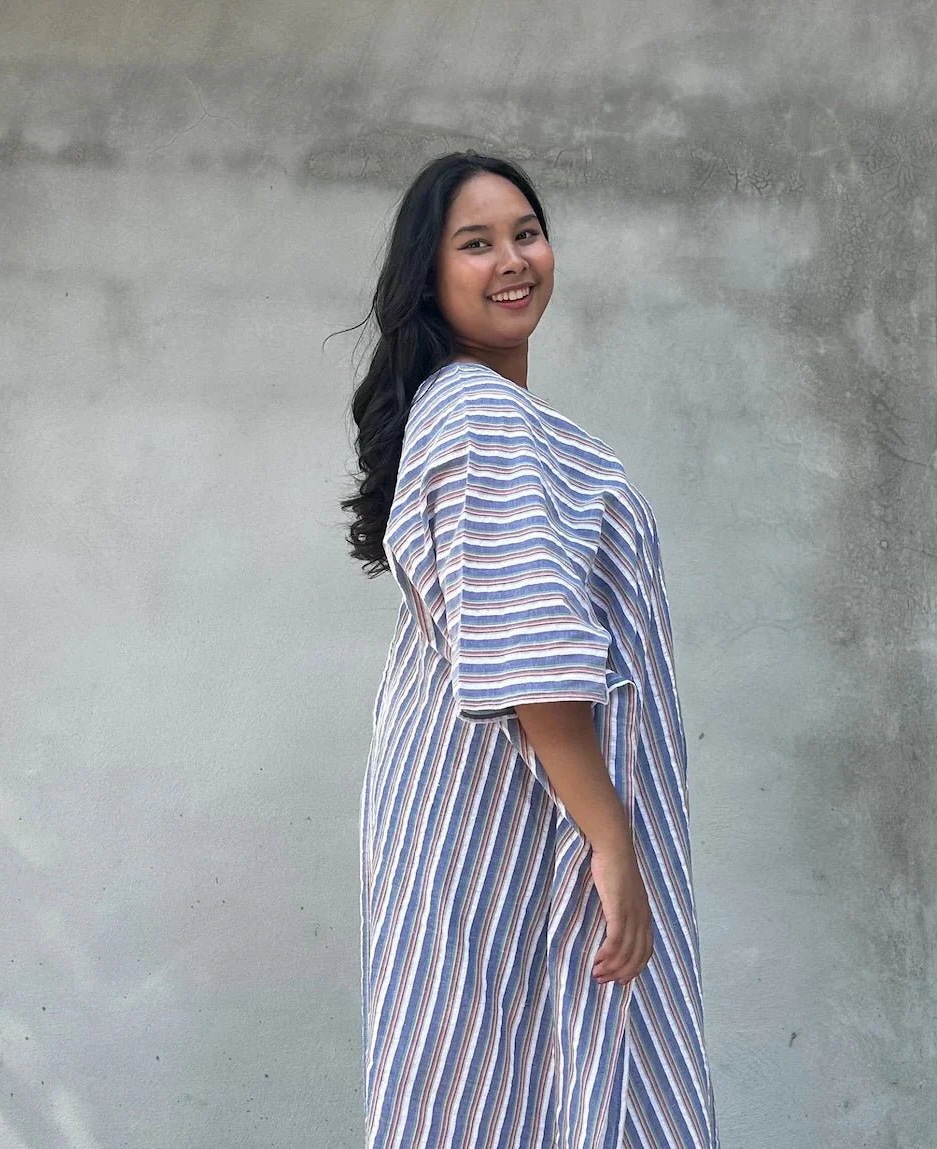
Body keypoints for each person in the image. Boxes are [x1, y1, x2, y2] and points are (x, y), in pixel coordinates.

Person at [341, 150, 720, 1148]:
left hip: (466, 813)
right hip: (514, 821)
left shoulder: (473, 414)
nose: (513, 260)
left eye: (525, 232)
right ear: (429, 275)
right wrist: (609, 836)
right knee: (526, 1087)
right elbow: (533, 653)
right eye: (476, 244)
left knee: (479, 1088)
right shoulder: (480, 414)